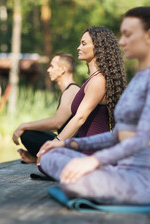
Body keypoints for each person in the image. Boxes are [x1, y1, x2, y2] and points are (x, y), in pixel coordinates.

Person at [37, 6, 150, 205]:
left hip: (145, 183)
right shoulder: (139, 78)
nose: (121, 42)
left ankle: (83, 183)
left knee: (72, 181)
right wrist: (67, 143)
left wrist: (93, 161)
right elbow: (116, 136)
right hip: (119, 173)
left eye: (127, 35)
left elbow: (142, 139)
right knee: (52, 155)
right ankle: (83, 180)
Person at [14, 26, 126, 163]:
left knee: (46, 161)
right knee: (44, 161)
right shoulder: (93, 79)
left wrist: (56, 142)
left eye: (84, 44)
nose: (78, 47)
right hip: (84, 148)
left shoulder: (98, 80)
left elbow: (80, 117)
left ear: (98, 47)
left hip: (94, 152)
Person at [12, 53, 80, 163]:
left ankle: (45, 158)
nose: (48, 70)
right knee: (30, 132)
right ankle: (37, 158)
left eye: (52, 66)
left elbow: (57, 123)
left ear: (63, 69)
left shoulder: (72, 90)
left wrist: (24, 126)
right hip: (65, 143)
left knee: (27, 134)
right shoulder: (68, 91)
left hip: (73, 147)